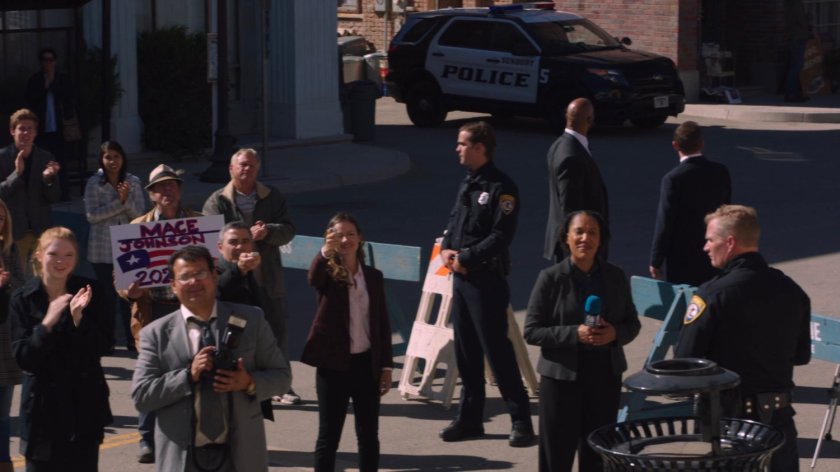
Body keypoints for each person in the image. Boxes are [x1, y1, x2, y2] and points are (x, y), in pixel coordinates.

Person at [675, 204, 811, 472]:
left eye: (710, 240)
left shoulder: (712, 294)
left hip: (735, 423)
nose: (705, 247)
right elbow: (801, 355)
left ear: (730, 243)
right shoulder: (793, 291)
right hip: (781, 420)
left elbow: (684, 360)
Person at [131, 246, 291, 472]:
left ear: (215, 276)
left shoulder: (251, 319)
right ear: (173, 286)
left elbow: (282, 377)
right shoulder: (155, 334)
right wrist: (188, 376)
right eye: (185, 277)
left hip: (240, 456)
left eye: (201, 273)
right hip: (183, 459)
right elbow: (142, 396)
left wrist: (249, 382)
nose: (194, 282)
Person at [438, 121, 535, 447]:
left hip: (486, 282)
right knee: (466, 352)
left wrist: (467, 257)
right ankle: (470, 418)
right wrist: (447, 250)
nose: (457, 149)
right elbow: (455, 222)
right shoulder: (469, 183)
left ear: (480, 148)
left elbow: (501, 236)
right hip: (461, 281)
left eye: (463, 144)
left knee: (498, 352)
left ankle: (521, 420)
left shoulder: (500, 188)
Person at [524, 210, 640, 472]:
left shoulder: (615, 276)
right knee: (557, 456)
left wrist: (615, 334)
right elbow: (531, 330)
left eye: (593, 232)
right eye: (579, 231)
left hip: (604, 378)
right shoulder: (550, 278)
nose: (585, 238)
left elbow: (632, 323)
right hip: (561, 380)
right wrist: (573, 334)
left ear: (601, 240)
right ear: (566, 237)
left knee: (598, 455)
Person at [9, 227, 113, 471]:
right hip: (42, 412)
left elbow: (102, 346)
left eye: (68, 255)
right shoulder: (23, 298)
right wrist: (47, 323)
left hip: (83, 408)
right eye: (54, 253)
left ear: (76, 258)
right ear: (39, 255)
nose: (61, 261)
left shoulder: (90, 291)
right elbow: (24, 358)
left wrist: (78, 319)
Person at [203, 148, 299, 405]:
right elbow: (212, 240)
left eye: (252, 167)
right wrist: (236, 257)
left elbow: (289, 230)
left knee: (276, 332)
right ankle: (237, 380)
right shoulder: (217, 201)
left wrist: (268, 231)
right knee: (235, 334)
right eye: (242, 166)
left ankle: (282, 385)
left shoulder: (272, 196)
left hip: (267, 279)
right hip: (233, 282)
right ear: (231, 169)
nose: (247, 170)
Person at [119, 163, 201, 463]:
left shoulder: (199, 224)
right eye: (161, 187)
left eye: (173, 185)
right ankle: (146, 438)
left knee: (192, 371)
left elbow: (216, 266)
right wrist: (130, 292)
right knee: (150, 374)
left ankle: (192, 433)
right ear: (152, 194)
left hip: (188, 311)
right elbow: (123, 280)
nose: (168, 191)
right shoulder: (136, 229)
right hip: (152, 311)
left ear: (179, 190)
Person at [301, 213, 393, 471]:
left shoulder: (373, 277)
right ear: (330, 239)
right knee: (329, 438)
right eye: (339, 235)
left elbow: (382, 325)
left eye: (350, 234)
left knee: (368, 436)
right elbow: (313, 278)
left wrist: (386, 366)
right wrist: (323, 252)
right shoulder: (328, 274)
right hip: (333, 367)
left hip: (366, 365)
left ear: (360, 238)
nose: (346, 239)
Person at [649, 121, 731, 286]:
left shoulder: (673, 179)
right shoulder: (721, 172)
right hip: (714, 252)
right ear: (701, 143)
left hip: (682, 258)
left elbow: (665, 222)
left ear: (675, 145)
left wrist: (656, 259)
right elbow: (726, 212)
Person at [84, 141, 145, 351]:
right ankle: (107, 341)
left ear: (123, 158)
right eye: (108, 157)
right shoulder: (94, 183)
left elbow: (139, 215)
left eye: (116, 156)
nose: (113, 161)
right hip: (101, 249)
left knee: (128, 296)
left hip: (128, 249)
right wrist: (119, 203)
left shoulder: (133, 182)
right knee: (108, 298)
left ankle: (132, 339)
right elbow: (92, 216)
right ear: (101, 159)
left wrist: (125, 201)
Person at [543, 98, 609, 261]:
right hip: (576, 251)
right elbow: (571, 209)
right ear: (590, 120)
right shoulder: (572, 156)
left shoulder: (558, 145)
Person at [0, 109, 61, 270]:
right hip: (13, 232)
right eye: (21, 128)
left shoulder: (46, 158)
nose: (25, 133)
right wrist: (16, 174)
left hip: (41, 230)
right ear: (12, 131)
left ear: (35, 133)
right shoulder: (2, 157)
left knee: (42, 280)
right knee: (16, 283)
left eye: (30, 129)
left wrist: (49, 179)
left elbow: (54, 197)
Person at [25, 48, 75, 200]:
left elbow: (68, 99)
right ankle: (44, 194)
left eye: (51, 60)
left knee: (61, 162)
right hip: (42, 130)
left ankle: (64, 194)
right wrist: (45, 86)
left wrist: (53, 83)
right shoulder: (36, 80)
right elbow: (31, 100)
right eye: (45, 60)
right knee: (42, 163)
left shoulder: (62, 79)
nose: (48, 63)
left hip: (59, 129)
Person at [0, 200, 24, 472]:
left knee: (3, 413)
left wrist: (8, 282)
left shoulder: (10, 248)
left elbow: (22, 284)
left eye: (2, 218)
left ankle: (4, 462)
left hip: (4, 337)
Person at [784, 0, 811, 102]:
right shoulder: (795, 4)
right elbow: (801, 21)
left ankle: (794, 92)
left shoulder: (790, 4)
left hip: (795, 37)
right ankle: (791, 93)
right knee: (796, 66)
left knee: (795, 66)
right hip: (798, 37)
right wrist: (808, 21)